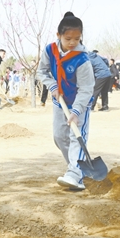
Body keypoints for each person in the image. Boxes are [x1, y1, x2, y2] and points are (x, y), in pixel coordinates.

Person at [38, 12, 95, 191]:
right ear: (59, 35)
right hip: (60, 101)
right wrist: (52, 85)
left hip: (79, 104)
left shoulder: (82, 59)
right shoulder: (50, 50)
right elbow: (41, 72)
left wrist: (76, 112)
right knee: (59, 137)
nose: (72, 42)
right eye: (68, 38)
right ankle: (76, 167)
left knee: (76, 137)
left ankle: (75, 174)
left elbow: (86, 89)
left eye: (77, 39)